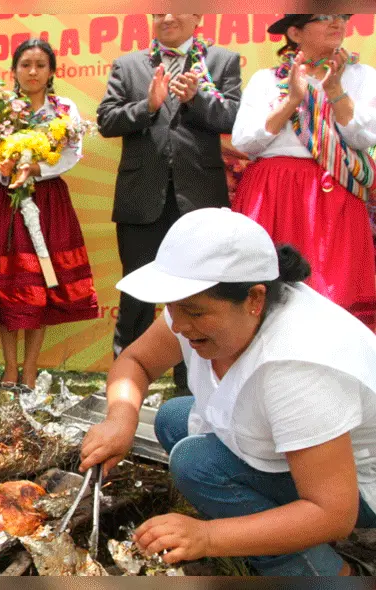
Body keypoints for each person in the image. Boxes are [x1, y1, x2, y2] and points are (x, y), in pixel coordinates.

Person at [80, 208, 376, 577]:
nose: (179, 324)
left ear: (254, 298)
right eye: (171, 308)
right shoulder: (209, 311)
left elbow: (333, 513)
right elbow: (137, 361)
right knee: (174, 418)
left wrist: (208, 536)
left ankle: (329, 575)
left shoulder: (298, 366)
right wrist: (120, 418)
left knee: (197, 464)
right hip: (314, 458)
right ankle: (271, 523)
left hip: (361, 482)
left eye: (194, 312)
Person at [97, 13, 241, 391]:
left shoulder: (222, 61)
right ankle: (126, 387)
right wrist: (146, 106)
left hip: (200, 203)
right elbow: (107, 120)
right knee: (136, 301)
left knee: (200, 300)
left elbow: (234, 117)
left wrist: (197, 100)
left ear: (196, 15)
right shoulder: (128, 65)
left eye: (178, 8)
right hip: (141, 201)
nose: (168, 16)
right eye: (159, 10)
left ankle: (191, 390)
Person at [0, 39, 99, 390]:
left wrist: (34, 168)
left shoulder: (64, 108)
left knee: (41, 284)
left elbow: (71, 154)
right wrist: (3, 169)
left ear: (52, 71)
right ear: (14, 70)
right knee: (4, 284)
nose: (32, 71)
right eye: (25, 65)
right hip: (4, 201)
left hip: (48, 201)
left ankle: (32, 367)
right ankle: (10, 366)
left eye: (40, 64)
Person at [232, 14, 376, 331]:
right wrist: (292, 100)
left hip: (332, 189)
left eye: (341, 17)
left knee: (336, 289)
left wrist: (336, 91)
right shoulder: (267, 79)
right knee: (266, 284)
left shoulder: (363, 76)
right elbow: (246, 141)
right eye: (324, 18)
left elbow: (363, 138)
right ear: (295, 32)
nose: (337, 23)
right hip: (273, 190)